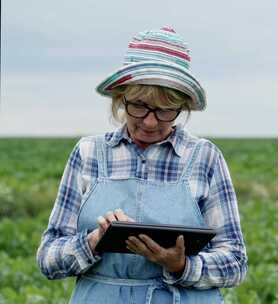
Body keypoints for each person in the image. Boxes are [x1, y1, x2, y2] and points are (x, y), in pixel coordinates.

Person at [36, 26, 247, 304]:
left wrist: (181, 266)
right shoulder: (88, 153)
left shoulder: (205, 157)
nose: (149, 122)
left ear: (181, 107)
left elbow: (235, 262)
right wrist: (94, 241)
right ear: (120, 99)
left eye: (164, 110)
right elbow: (48, 257)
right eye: (140, 106)